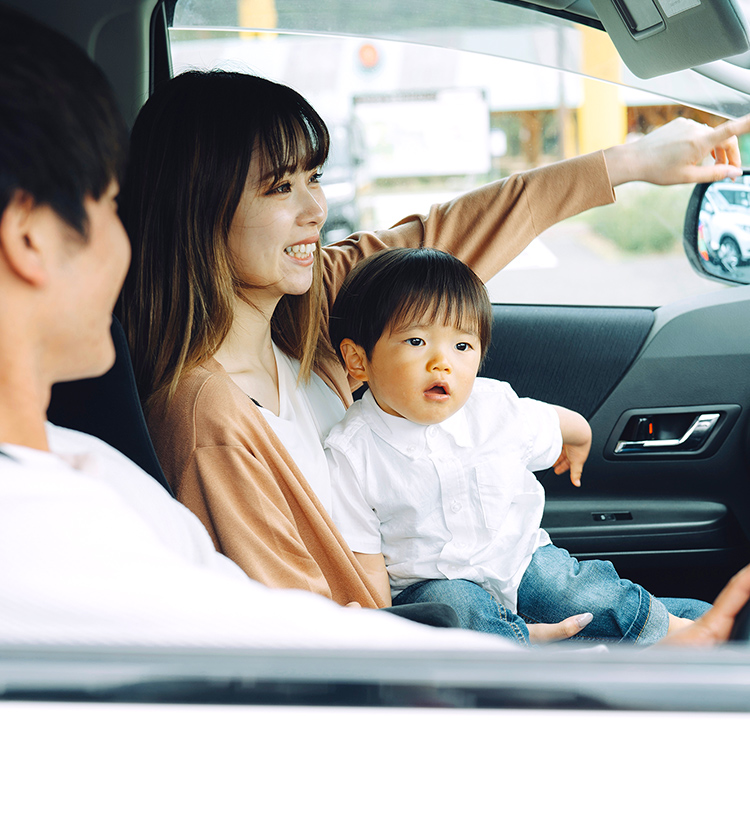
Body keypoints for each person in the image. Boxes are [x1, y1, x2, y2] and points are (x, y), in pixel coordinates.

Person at [0, 3, 749, 655]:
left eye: (313, 179)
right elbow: (294, 625)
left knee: (703, 628)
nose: (314, 211)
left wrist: (633, 161)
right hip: (419, 642)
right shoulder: (208, 420)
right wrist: (509, 647)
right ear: (199, 209)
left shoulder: (312, 299)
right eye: (278, 188)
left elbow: (450, 233)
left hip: (472, 603)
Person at [324, 247, 711, 646]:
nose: (443, 362)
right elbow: (364, 561)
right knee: (453, 608)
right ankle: (522, 643)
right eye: (417, 340)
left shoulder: (493, 408)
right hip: (428, 582)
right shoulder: (351, 454)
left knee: (570, 589)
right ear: (358, 361)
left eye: (462, 347)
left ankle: (668, 630)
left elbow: (554, 422)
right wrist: (379, 629)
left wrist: (579, 437)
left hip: (518, 560)